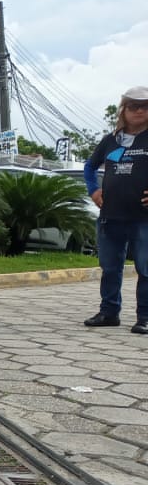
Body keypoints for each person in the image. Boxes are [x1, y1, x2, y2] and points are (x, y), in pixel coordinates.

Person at [83, 86, 148, 334]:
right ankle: (109, 312)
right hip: (111, 216)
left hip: (144, 218)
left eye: (145, 106)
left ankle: (144, 317)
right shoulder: (111, 141)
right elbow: (90, 168)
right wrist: (93, 190)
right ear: (124, 110)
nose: (139, 110)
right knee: (110, 267)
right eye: (133, 106)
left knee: (146, 268)